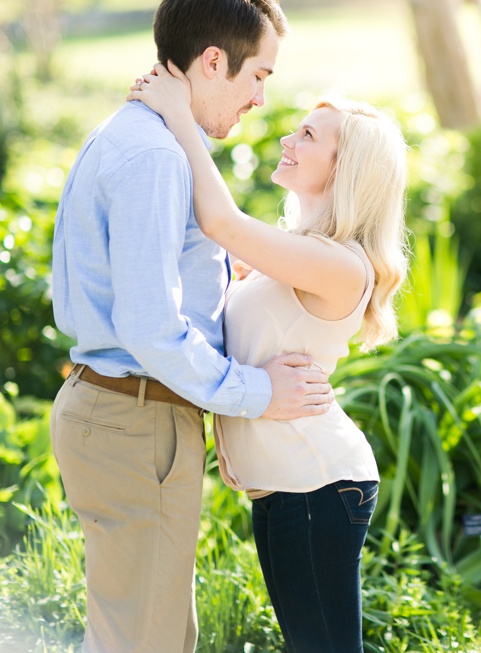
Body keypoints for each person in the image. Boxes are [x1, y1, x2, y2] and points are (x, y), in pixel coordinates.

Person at [50, 0, 336, 653]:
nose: (261, 98)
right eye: (257, 76)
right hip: (136, 417)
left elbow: (143, 290)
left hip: (130, 413)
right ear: (213, 62)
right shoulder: (155, 156)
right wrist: (257, 395)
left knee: (151, 636)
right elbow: (151, 328)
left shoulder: (144, 137)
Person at [128, 61, 409, 652]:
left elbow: (220, 221)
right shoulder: (300, 257)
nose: (288, 138)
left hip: (317, 484)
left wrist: (180, 115)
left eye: (308, 136)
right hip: (287, 485)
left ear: (346, 168)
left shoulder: (339, 263)